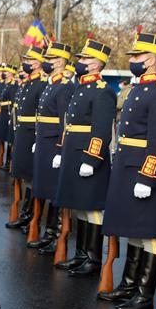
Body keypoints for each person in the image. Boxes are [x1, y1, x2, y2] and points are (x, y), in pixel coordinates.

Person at [100, 30, 156, 309]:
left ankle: (145, 295)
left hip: (143, 170)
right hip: (127, 165)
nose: (133, 59)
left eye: (138, 55)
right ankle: (129, 284)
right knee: (132, 229)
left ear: (153, 59)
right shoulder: (139, 88)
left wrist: (149, 175)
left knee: (148, 232)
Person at [53, 34, 116, 277]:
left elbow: (101, 129)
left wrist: (92, 158)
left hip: (87, 156)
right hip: (73, 152)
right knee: (78, 207)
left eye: (85, 57)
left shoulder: (102, 90)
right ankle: (80, 254)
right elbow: (69, 124)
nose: (80, 61)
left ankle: (93, 257)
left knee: (92, 209)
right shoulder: (82, 87)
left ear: (96, 63)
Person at [29, 41, 73, 252]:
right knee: (45, 188)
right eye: (46, 59)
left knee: (55, 190)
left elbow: (65, 121)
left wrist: (60, 149)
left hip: (54, 143)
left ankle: (55, 233)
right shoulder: (52, 84)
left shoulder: (64, 86)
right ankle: (48, 231)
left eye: (51, 59)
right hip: (45, 141)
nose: (47, 62)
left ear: (62, 61)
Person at [5, 47, 46, 229]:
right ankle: (25, 213)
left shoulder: (41, 84)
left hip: (31, 134)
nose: (26, 63)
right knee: (21, 175)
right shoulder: (27, 83)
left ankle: (31, 216)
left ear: (38, 63)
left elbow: (41, 114)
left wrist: (38, 139)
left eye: (30, 61)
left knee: (31, 176)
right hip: (22, 132)